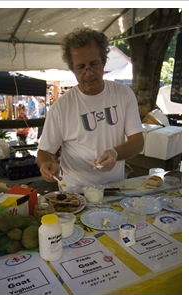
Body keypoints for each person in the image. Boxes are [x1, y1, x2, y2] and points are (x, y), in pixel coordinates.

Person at [37, 27, 144, 192]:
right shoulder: (61, 107)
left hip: (113, 188)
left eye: (94, 64)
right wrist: (46, 164)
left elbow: (137, 142)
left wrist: (115, 153)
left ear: (104, 61)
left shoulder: (123, 94)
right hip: (75, 191)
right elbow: (44, 151)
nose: (88, 73)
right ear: (72, 69)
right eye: (81, 67)